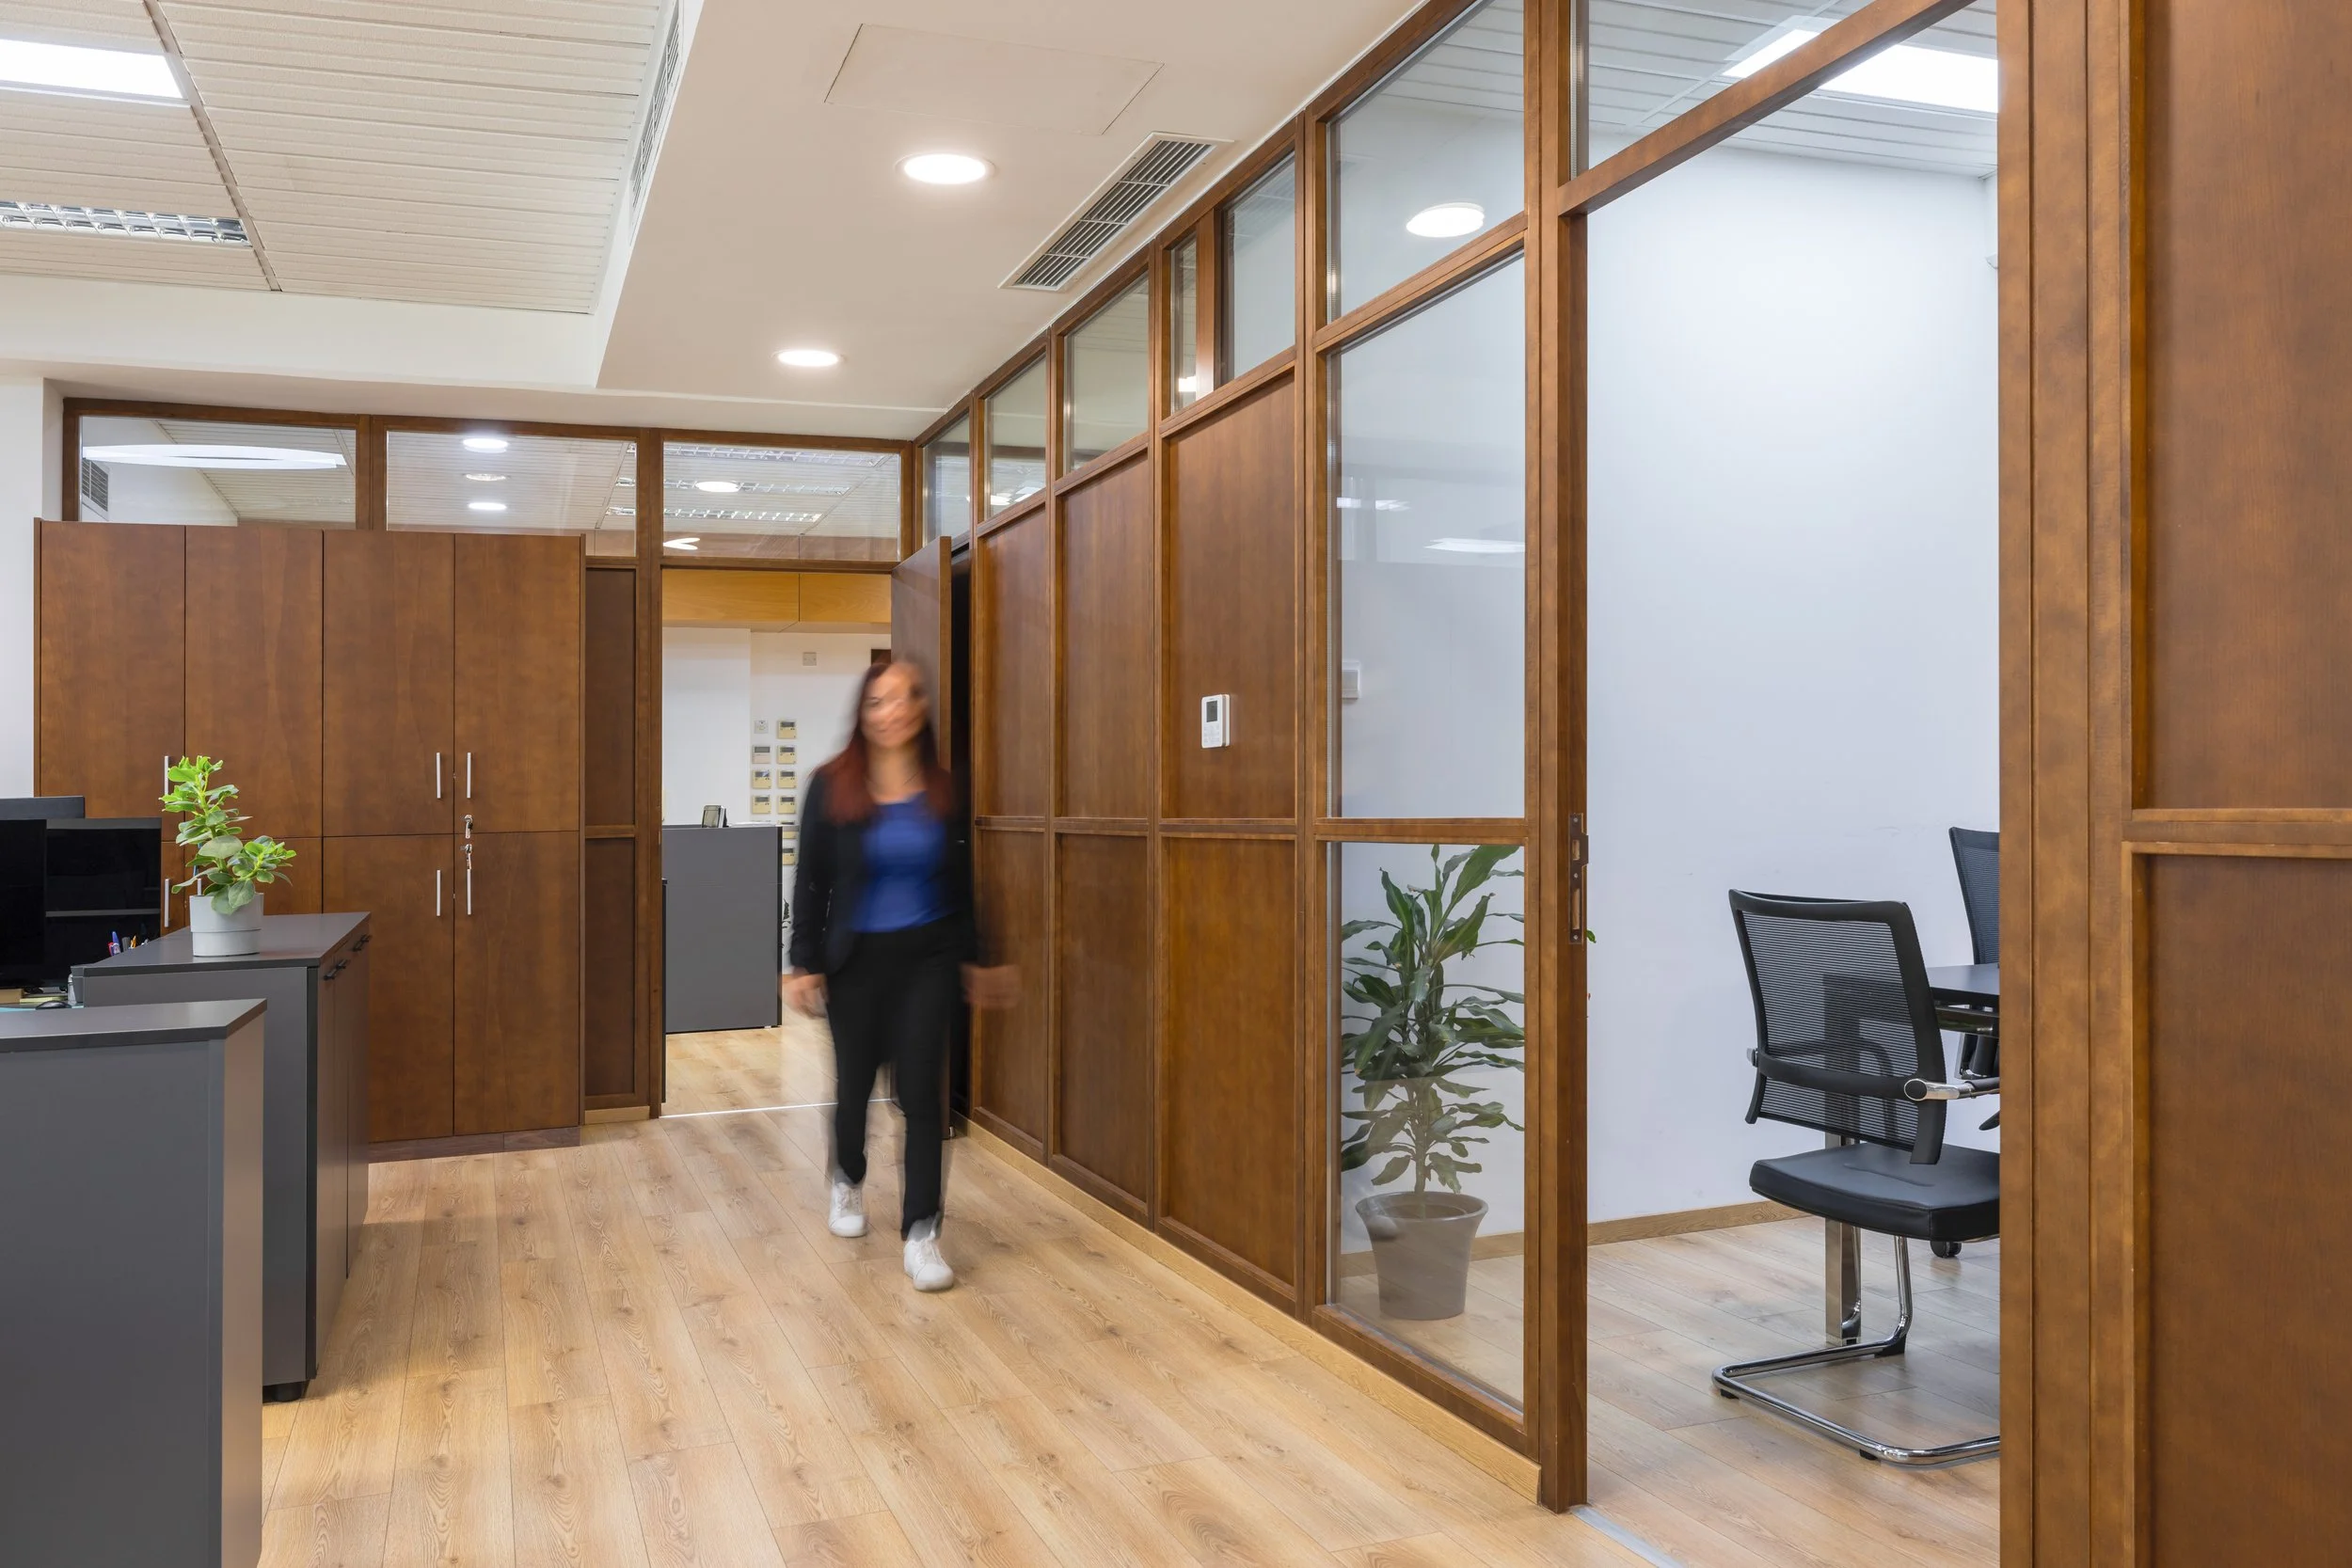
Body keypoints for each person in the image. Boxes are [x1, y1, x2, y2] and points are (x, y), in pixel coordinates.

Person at [782, 659, 1012, 1291]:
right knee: (855, 1085)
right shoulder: (830, 786)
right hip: (855, 959)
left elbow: (961, 883)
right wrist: (803, 962)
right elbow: (811, 881)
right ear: (862, 713)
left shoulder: (943, 789)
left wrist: (978, 956)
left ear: (921, 708)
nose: (893, 711)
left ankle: (922, 1232)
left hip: (927, 960)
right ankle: (847, 1178)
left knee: (921, 1094)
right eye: (879, 701)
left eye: (906, 698)